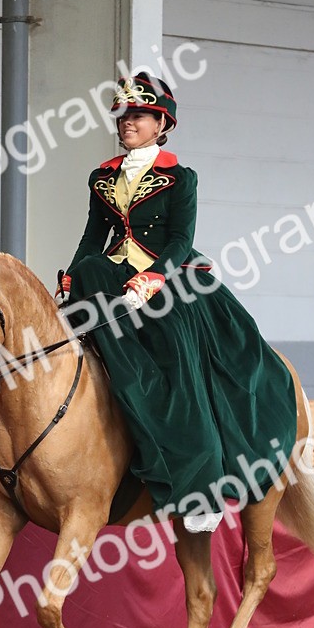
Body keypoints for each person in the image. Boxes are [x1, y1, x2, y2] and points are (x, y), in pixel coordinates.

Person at [56, 72, 297, 530]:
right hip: (111, 273)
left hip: (166, 280)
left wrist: (151, 280)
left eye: (139, 115)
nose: (128, 122)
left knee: (182, 368)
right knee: (87, 274)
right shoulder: (101, 177)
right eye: (124, 115)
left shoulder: (180, 178)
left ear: (160, 124)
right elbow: (93, 237)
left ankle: (201, 488)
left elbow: (181, 241)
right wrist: (71, 277)